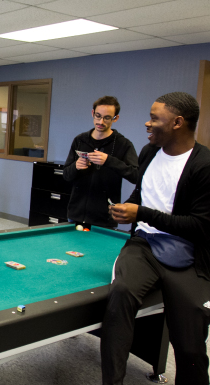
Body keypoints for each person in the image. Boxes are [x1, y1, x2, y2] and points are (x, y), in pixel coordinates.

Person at [101, 92, 210, 385]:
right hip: (144, 244)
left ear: (177, 122)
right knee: (120, 294)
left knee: (190, 343)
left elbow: (201, 226)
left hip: (189, 252)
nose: (147, 124)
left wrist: (142, 212)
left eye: (154, 118)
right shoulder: (149, 152)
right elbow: (143, 194)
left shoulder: (205, 165)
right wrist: (128, 209)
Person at [63, 96, 138, 229]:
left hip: (104, 218)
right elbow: (66, 175)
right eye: (98, 116)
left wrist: (109, 161)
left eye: (107, 118)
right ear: (93, 113)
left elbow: (136, 176)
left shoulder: (123, 144)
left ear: (116, 118)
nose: (101, 121)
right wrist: (75, 167)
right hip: (76, 213)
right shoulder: (80, 140)